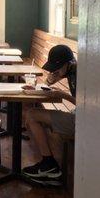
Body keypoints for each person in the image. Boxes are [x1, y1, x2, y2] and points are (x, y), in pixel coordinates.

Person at [23, 45, 77, 185]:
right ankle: (48, 162)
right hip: (80, 116)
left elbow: (87, 106)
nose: (54, 70)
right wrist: (52, 79)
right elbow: (48, 82)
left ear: (68, 64)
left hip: (83, 121)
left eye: (57, 67)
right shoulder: (71, 70)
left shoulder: (81, 74)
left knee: (32, 115)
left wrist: (62, 95)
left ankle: (49, 164)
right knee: (31, 114)